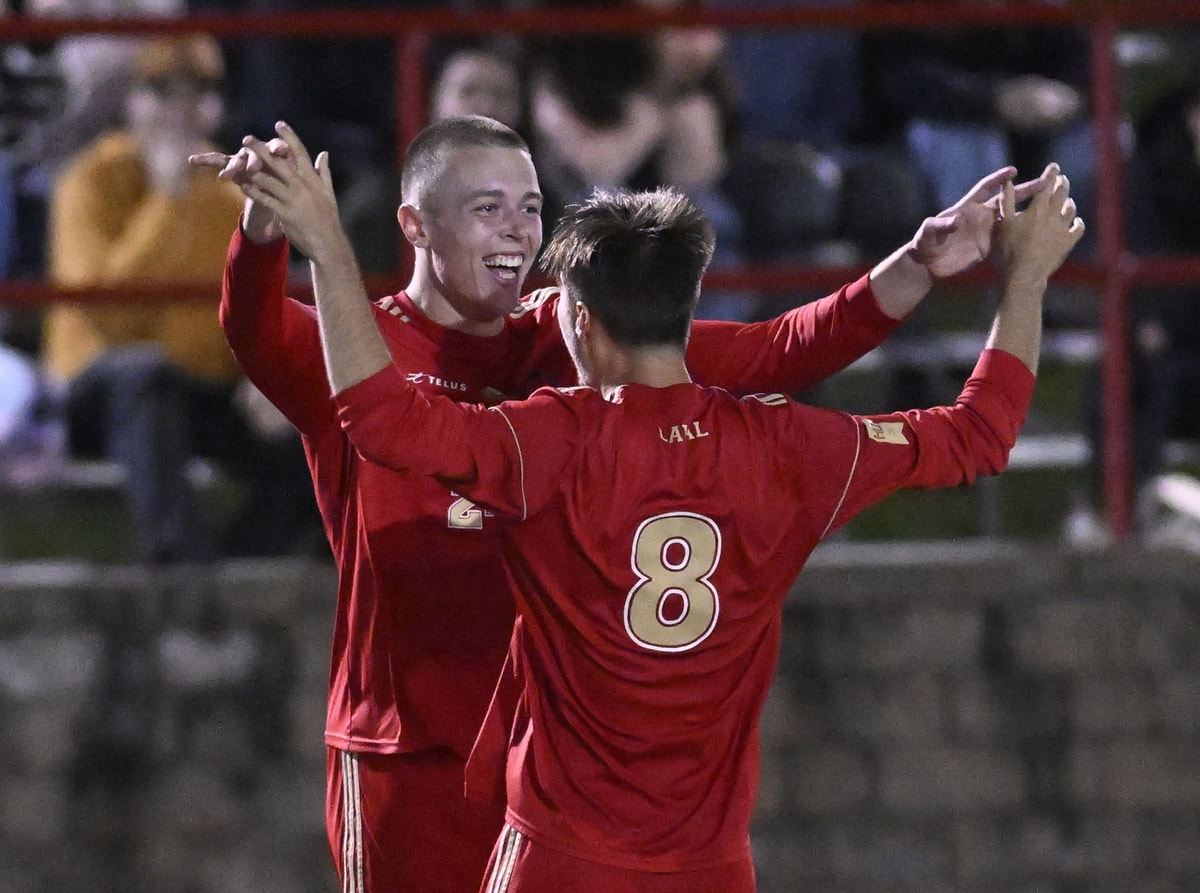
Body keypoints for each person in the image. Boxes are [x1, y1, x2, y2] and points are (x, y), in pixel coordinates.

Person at [190, 114, 1042, 892]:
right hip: (405, 745)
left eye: (530, 207)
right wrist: (269, 226)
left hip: (546, 759)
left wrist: (921, 261)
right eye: (488, 207)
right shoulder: (357, 343)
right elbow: (257, 327)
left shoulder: (566, 333)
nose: (519, 230)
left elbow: (780, 346)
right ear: (416, 224)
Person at [42, 34, 318, 562]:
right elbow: (110, 321)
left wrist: (268, 376)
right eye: (161, 90)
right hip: (95, 389)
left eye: (198, 91)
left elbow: (259, 315)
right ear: (131, 103)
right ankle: (183, 578)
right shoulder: (88, 180)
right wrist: (168, 201)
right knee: (144, 372)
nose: (180, 108)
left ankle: (229, 577)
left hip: (195, 391)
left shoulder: (229, 197)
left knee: (314, 435)